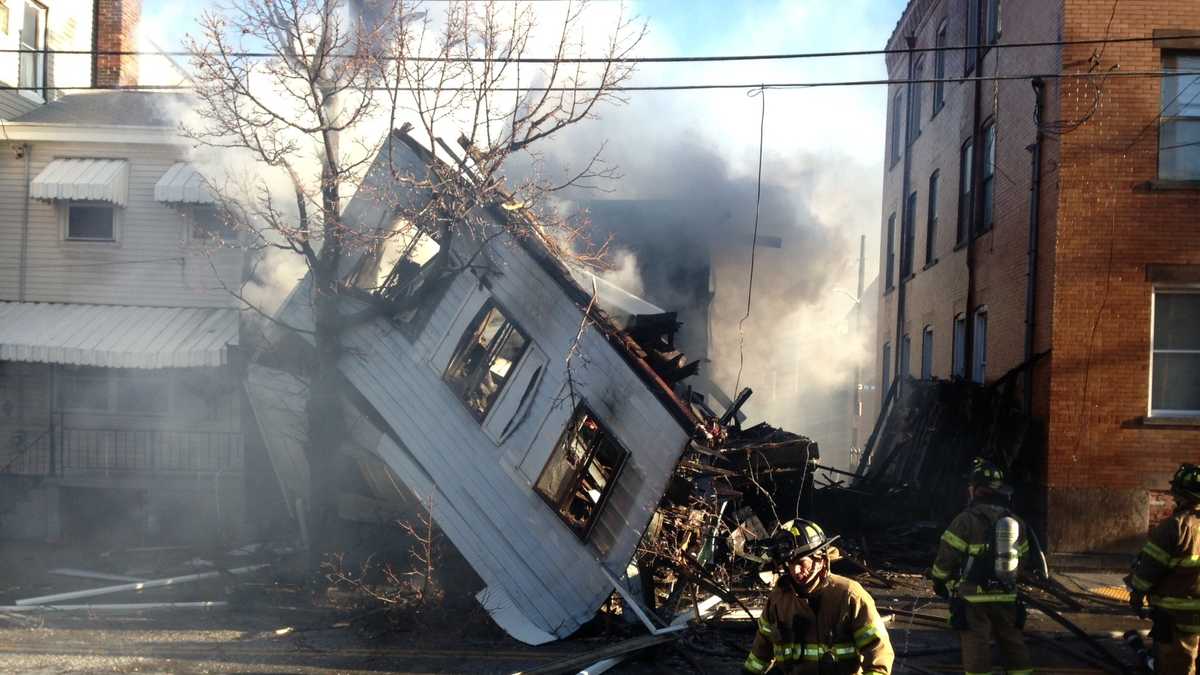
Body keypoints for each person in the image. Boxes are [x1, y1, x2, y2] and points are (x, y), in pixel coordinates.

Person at [743, 519, 893, 674]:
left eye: (802, 562)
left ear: (821, 559)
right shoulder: (778, 600)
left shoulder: (849, 596)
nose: (795, 570)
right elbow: (760, 653)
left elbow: (878, 654)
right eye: (790, 563)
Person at [929, 458, 1033, 675]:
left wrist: (939, 580)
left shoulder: (966, 520)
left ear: (976, 490)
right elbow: (1023, 559)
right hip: (1006, 595)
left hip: (973, 598)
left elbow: (946, 557)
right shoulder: (1015, 521)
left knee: (977, 646)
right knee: (1013, 644)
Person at [1127, 462, 1200, 674]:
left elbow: (1149, 568)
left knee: (1175, 664)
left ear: (1182, 494)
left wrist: (1137, 595)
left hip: (1176, 617)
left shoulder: (1176, 527)